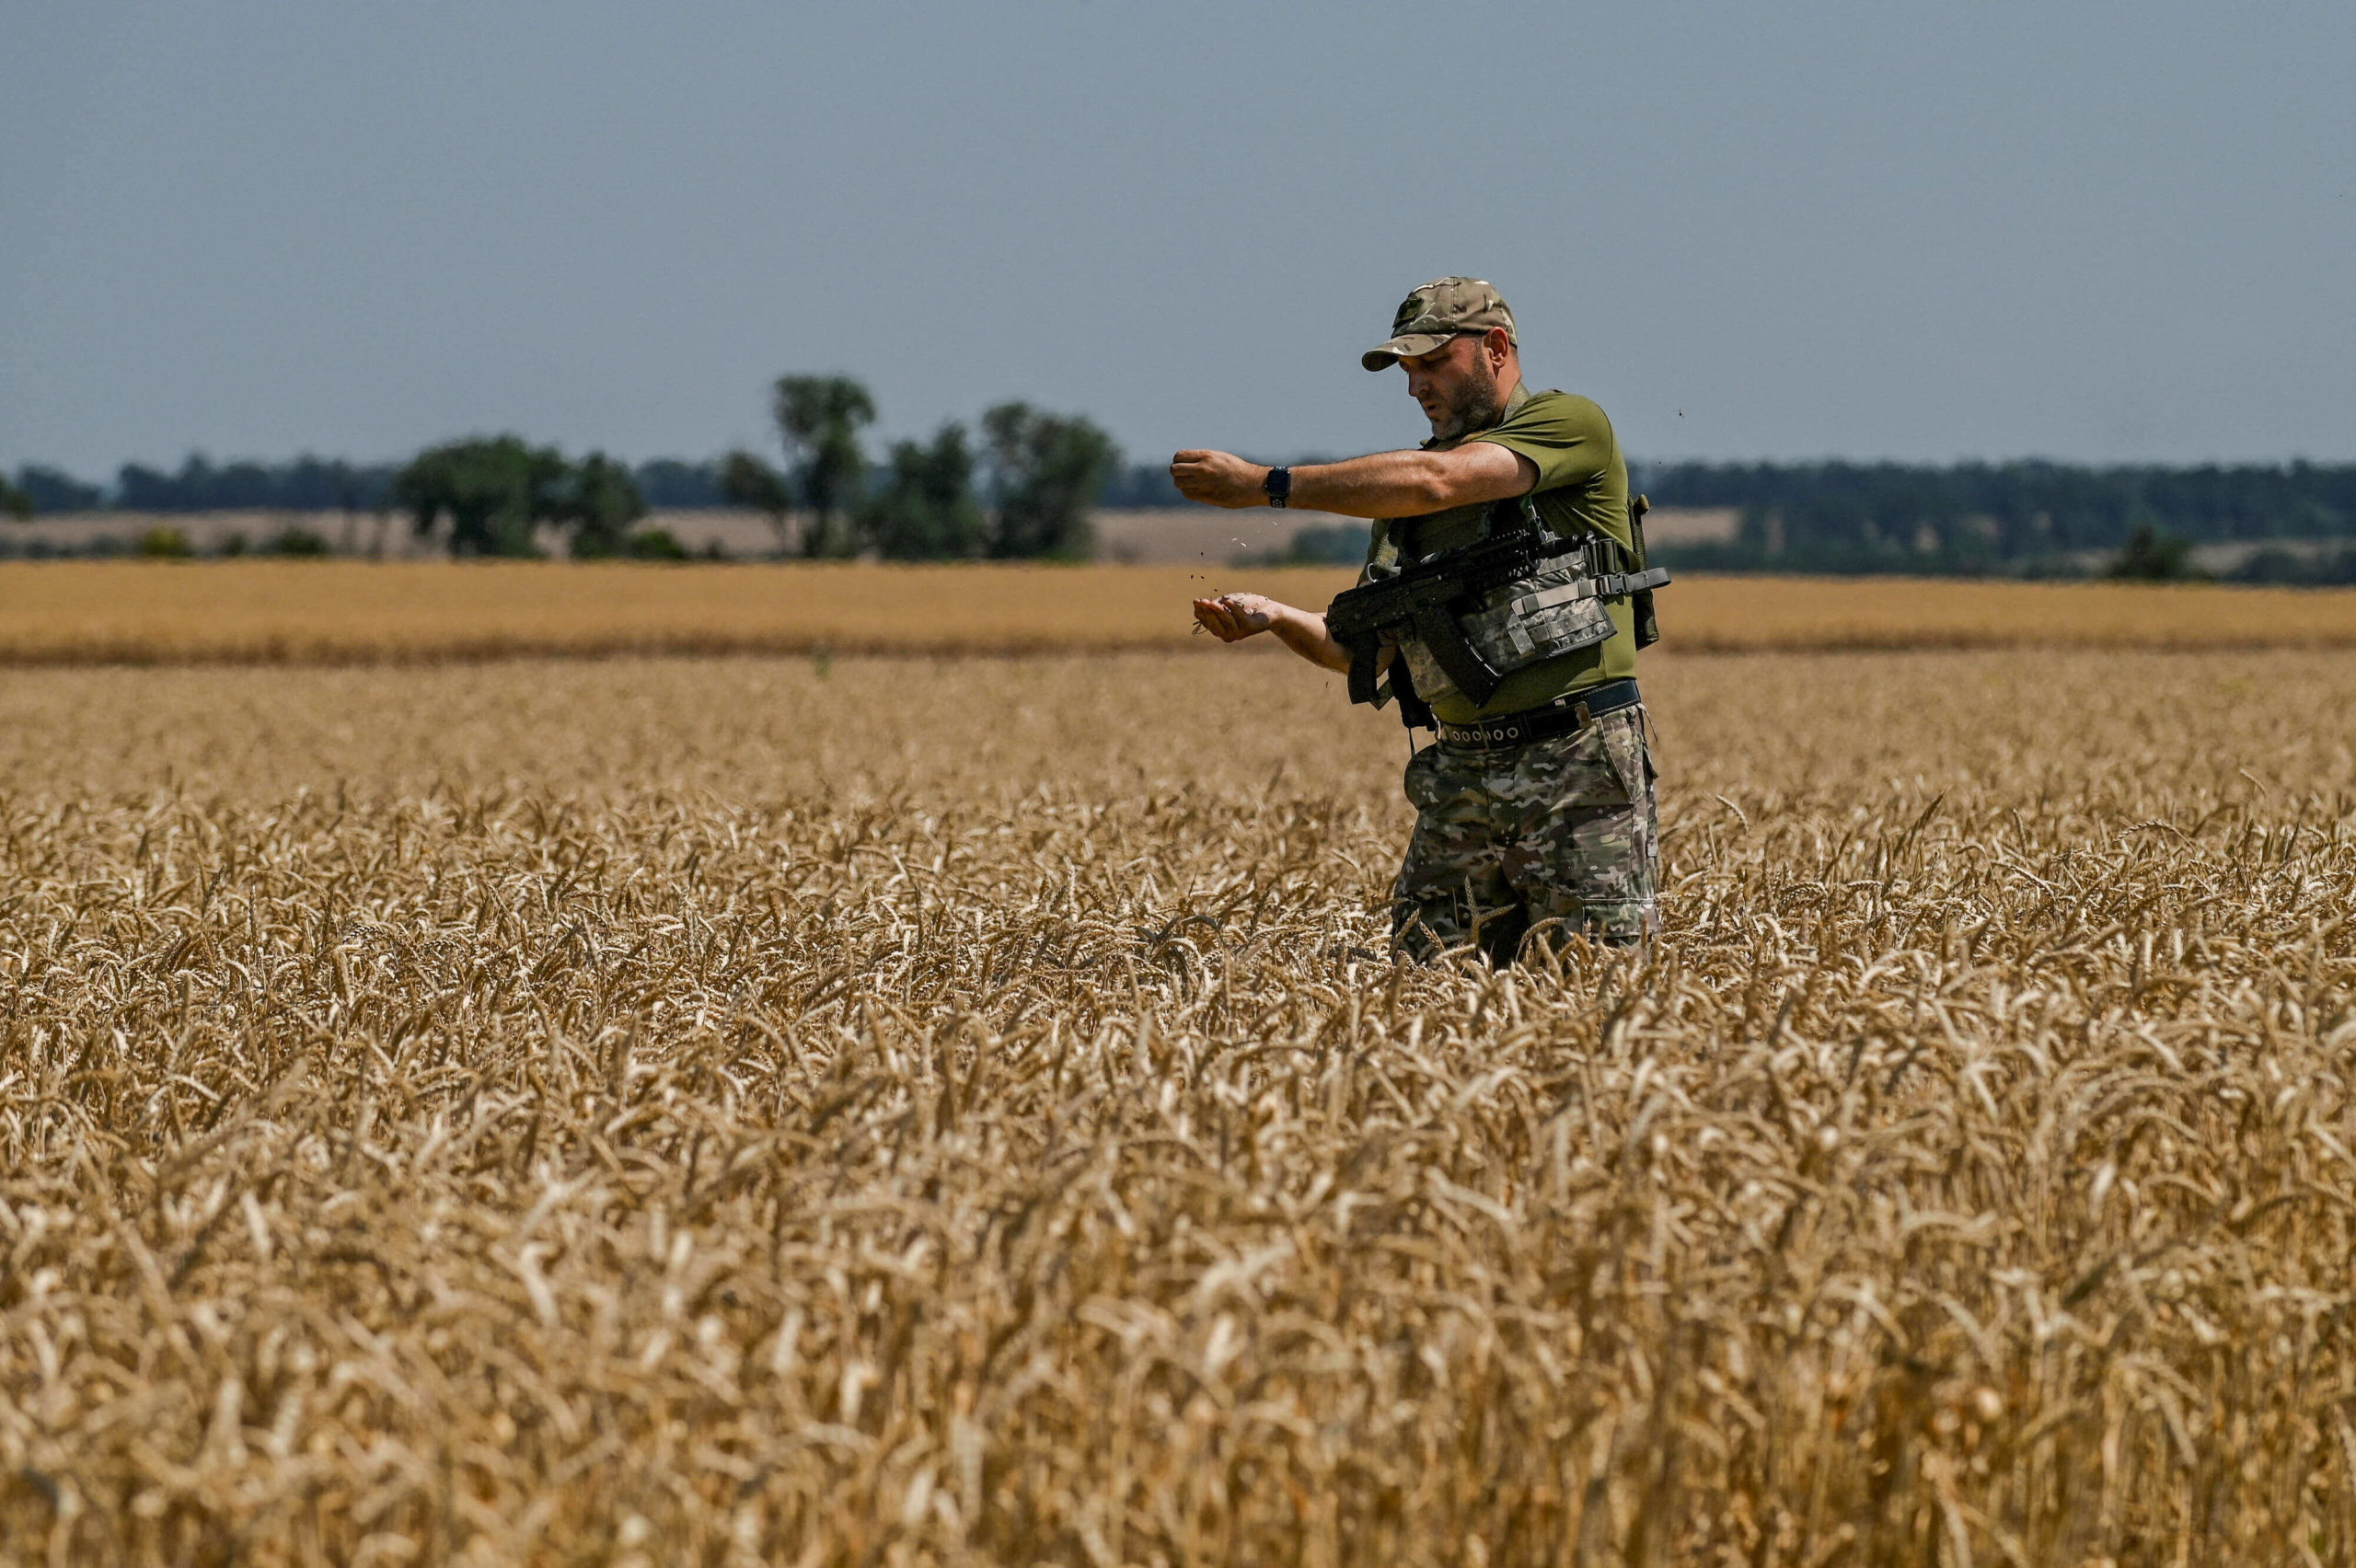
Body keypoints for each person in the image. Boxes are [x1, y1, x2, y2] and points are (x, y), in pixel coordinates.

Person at [1172, 276, 1659, 964]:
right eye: (1406, 372)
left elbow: (1446, 480)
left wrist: (1266, 486)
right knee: (1421, 997)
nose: (1416, 387)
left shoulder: (1569, 424)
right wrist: (1274, 617)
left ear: (1495, 348)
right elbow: (1364, 658)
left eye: (1433, 364)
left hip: (1575, 766)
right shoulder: (1403, 499)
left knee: (1592, 993)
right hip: (1460, 776)